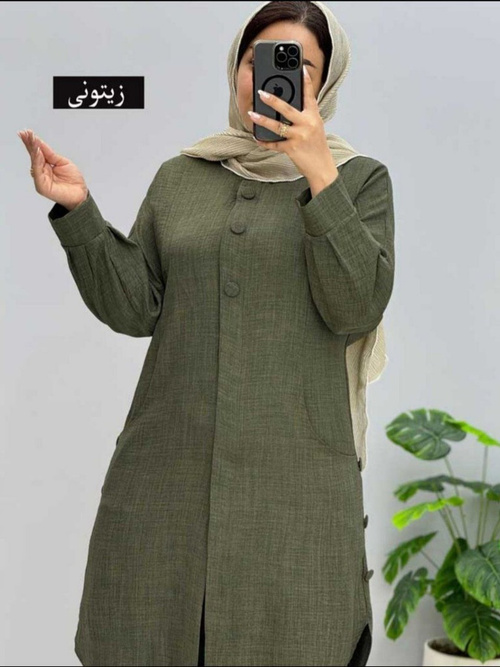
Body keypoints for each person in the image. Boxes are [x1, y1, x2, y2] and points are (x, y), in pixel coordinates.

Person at [18, 1, 395, 664]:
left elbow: (355, 307)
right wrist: (78, 210)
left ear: (326, 81)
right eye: (257, 59)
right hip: (167, 481)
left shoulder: (358, 180)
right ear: (237, 67)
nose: (268, 77)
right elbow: (136, 308)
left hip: (295, 490)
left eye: (297, 65)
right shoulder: (182, 177)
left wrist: (318, 173)